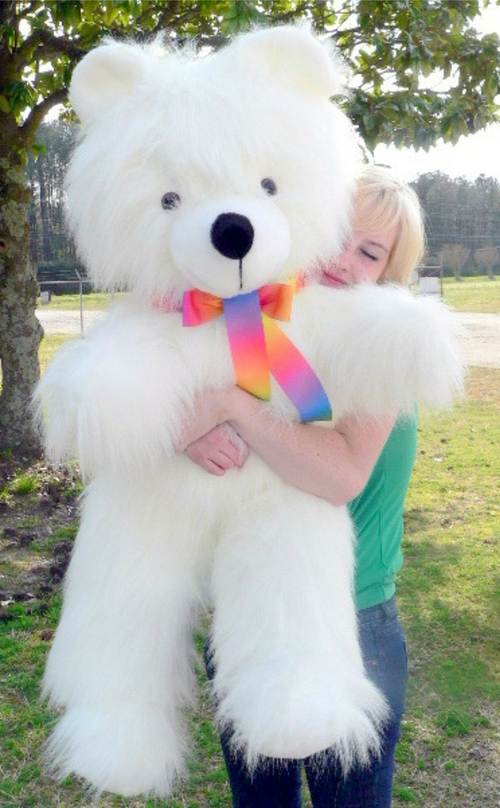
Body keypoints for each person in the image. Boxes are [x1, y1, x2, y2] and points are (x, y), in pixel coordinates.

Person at [178, 164, 426, 808]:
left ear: (388, 272)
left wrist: (233, 407)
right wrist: (186, 433)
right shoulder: (257, 321)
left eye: (369, 252)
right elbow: (175, 404)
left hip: (351, 620)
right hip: (251, 611)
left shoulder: (386, 344)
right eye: (339, 234)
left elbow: (339, 473)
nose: (344, 261)